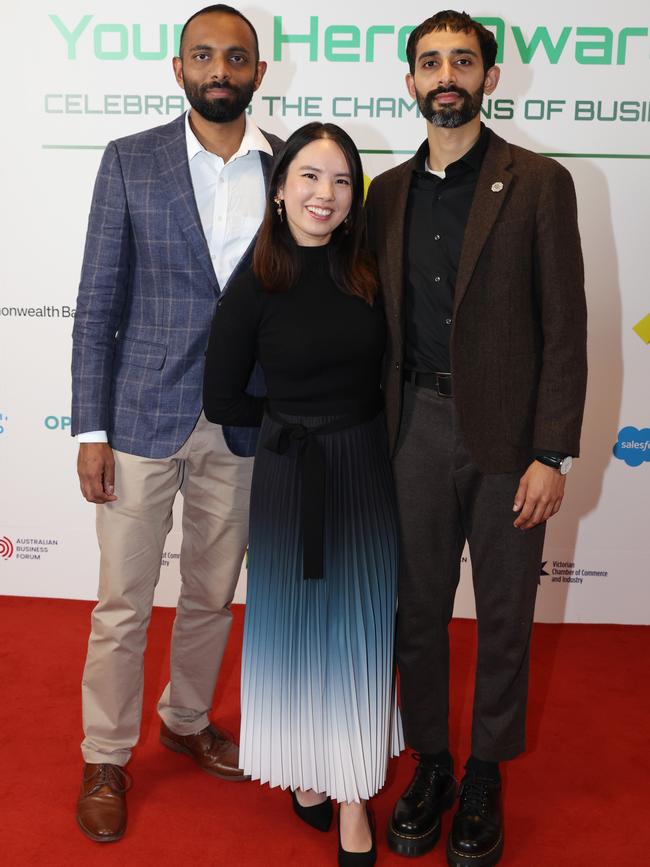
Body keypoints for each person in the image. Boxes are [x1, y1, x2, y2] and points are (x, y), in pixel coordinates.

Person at [365, 11, 587, 867]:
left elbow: (565, 326)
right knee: (415, 613)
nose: (446, 74)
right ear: (411, 81)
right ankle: (434, 761)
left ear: (491, 79)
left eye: (463, 60)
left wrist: (552, 450)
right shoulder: (382, 194)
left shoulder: (538, 181)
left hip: (507, 442)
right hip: (410, 428)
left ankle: (488, 767)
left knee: (504, 615)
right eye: (431, 62)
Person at [71, 4, 283, 843]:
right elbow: (97, 301)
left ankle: (186, 717)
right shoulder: (131, 161)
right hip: (139, 414)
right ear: (179, 68)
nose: (220, 69)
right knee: (123, 599)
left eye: (236, 57)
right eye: (205, 55)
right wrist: (89, 425)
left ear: (259, 73)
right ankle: (104, 752)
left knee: (210, 593)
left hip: (245, 420)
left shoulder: (290, 166)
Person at [203, 122, 403, 866]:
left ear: (356, 198)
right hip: (290, 476)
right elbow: (222, 396)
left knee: (356, 632)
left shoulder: (371, 270)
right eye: (310, 177)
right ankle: (304, 769)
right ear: (280, 187)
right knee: (295, 635)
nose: (326, 194)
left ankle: (352, 790)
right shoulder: (255, 280)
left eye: (343, 181)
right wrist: (288, 424)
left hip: (363, 469)